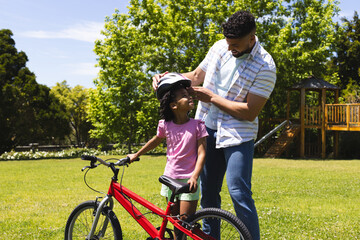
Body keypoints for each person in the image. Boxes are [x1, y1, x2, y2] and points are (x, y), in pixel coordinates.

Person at [153, 11, 276, 240]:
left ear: (251, 38)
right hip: (207, 128)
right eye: (228, 43)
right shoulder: (220, 47)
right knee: (208, 193)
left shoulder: (265, 66)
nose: (230, 49)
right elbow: (197, 76)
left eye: (235, 45)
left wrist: (211, 98)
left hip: (238, 135)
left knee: (239, 192)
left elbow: (250, 112)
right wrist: (168, 77)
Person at [128, 73, 208, 240]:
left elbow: (202, 153)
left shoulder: (197, 125)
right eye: (184, 96)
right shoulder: (166, 125)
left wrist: (195, 176)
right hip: (169, 179)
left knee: (185, 225)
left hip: (188, 180)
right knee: (175, 223)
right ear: (173, 105)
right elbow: (155, 141)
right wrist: (136, 154)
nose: (189, 97)